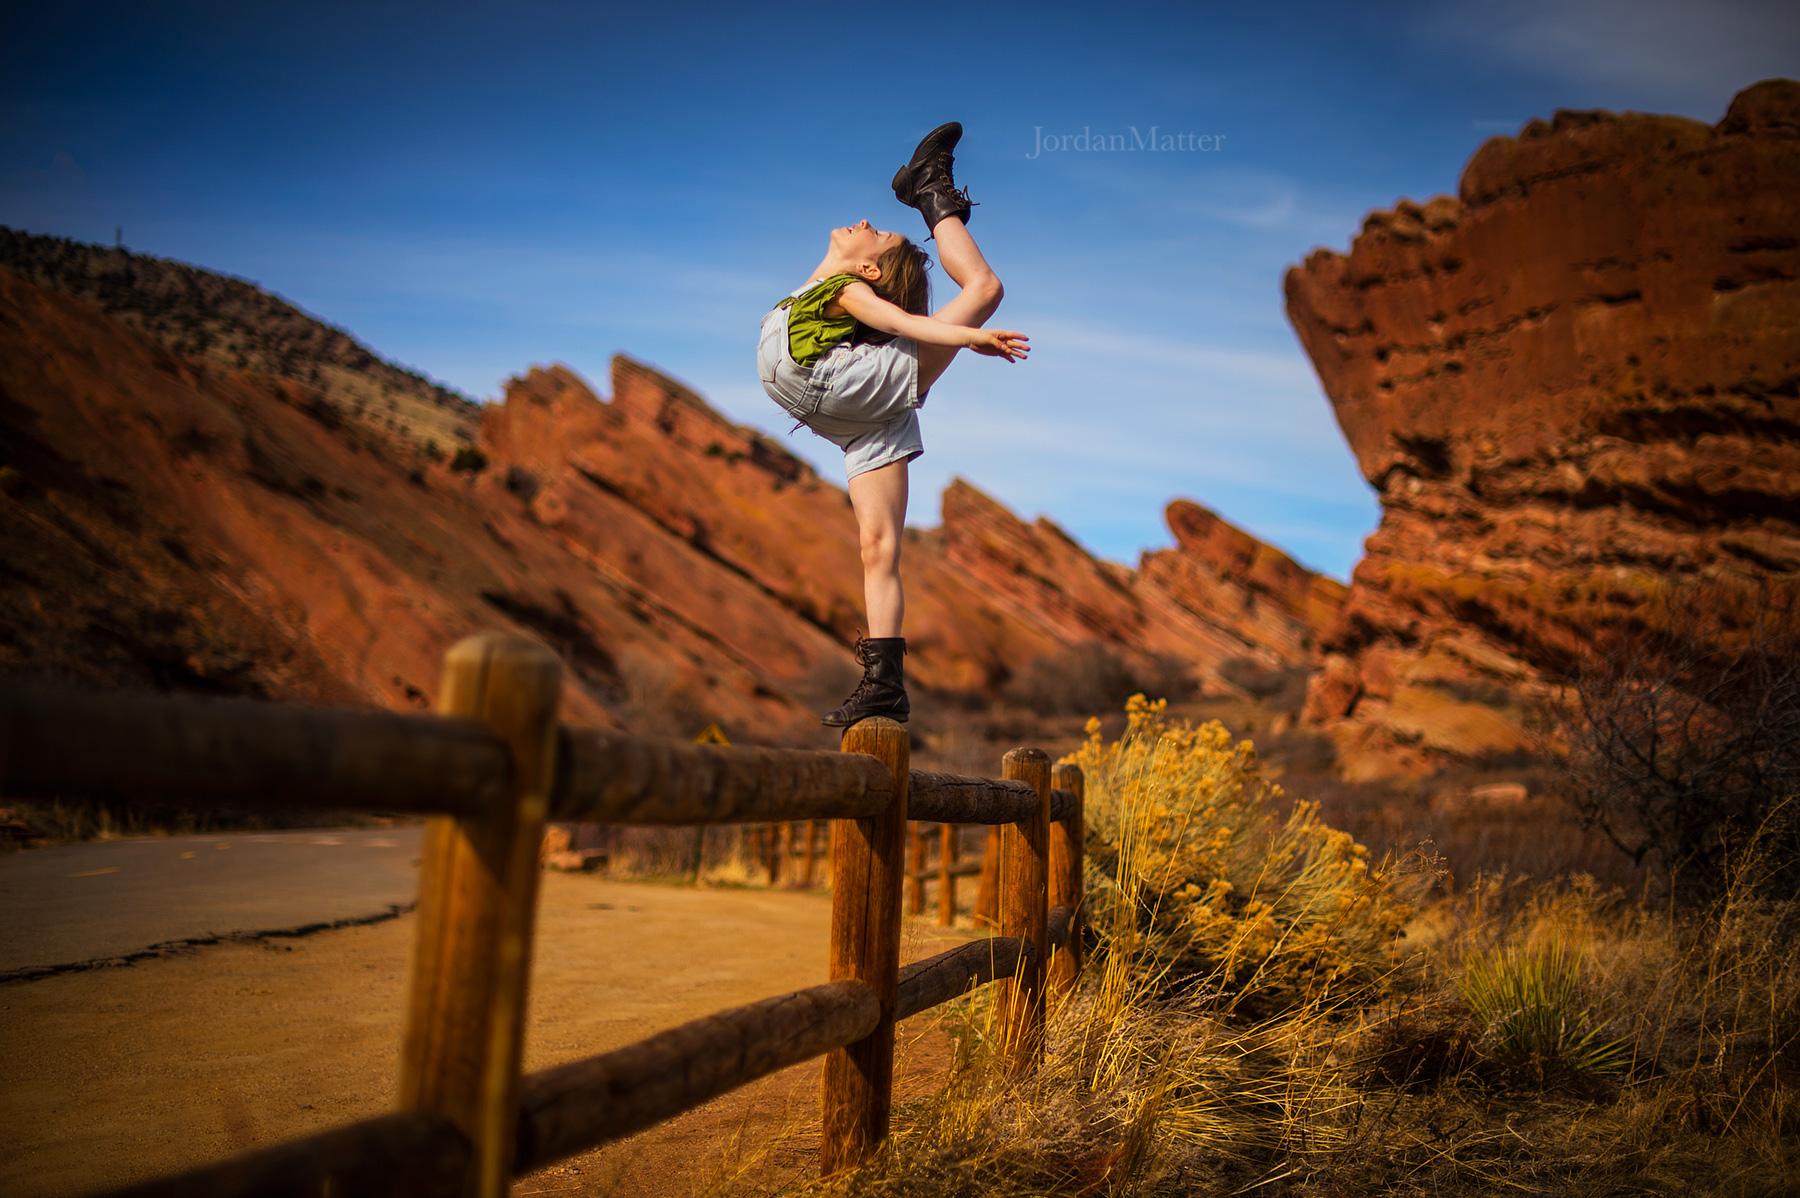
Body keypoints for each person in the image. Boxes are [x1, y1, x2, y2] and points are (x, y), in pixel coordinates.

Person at [756, 121, 1029, 727]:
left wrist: (967, 337)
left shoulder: (845, 289)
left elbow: (905, 325)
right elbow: (896, 323)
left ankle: (932, 188)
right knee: (877, 548)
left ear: (870, 273)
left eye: (875, 235)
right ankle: (886, 684)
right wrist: (961, 336)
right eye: (875, 226)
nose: (864, 222)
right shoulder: (813, 292)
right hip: (859, 411)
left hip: (852, 390)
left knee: (985, 290)